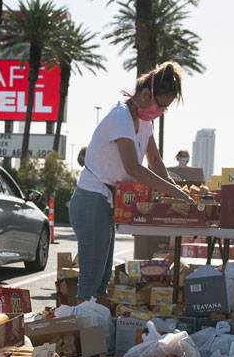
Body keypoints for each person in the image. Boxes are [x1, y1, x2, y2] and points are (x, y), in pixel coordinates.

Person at [70, 62, 192, 302]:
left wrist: (175, 192)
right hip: (91, 199)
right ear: (146, 94)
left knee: (102, 282)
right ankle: (84, 333)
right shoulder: (120, 117)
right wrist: (173, 193)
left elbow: (155, 160)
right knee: (90, 282)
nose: (160, 112)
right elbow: (133, 168)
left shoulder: (144, 123)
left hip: (106, 202)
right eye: (161, 105)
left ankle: (95, 331)